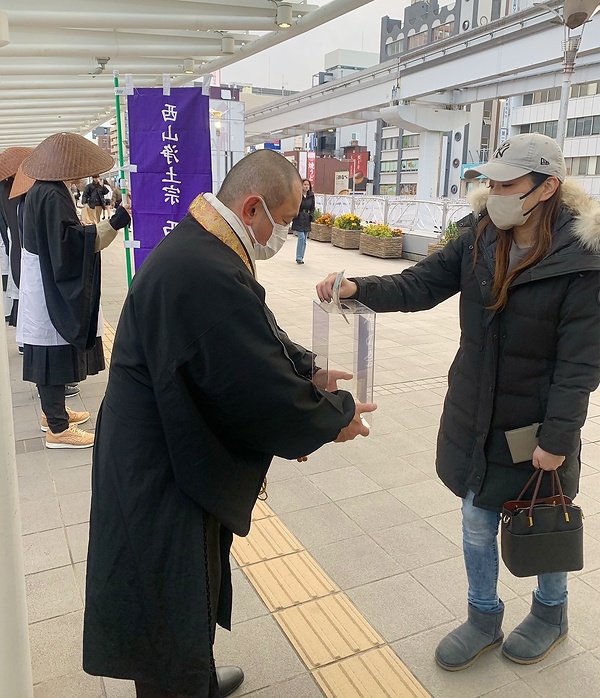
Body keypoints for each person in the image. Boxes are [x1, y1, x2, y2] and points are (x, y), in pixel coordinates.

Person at [82, 149, 376, 698]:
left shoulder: (204, 248)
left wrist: (307, 369)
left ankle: (193, 675)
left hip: (166, 440)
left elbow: (251, 329)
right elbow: (250, 385)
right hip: (160, 464)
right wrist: (332, 417)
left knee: (182, 594)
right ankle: (184, 686)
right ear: (253, 206)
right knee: (171, 593)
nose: (284, 234)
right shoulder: (203, 267)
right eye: (285, 221)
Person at [316, 133, 600, 670]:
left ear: (548, 188)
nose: (494, 192)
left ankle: (550, 610)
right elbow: (419, 284)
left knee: (545, 519)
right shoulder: (478, 235)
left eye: (508, 184)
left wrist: (559, 439)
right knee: (476, 524)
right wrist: (358, 289)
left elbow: (581, 364)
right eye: (491, 182)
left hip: (536, 426)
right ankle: (483, 617)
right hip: (474, 415)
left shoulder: (582, 260)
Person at [18, 133, 131, 449]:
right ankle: (57, 428)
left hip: (42, 278)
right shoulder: (52, 195)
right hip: (49, 283)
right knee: (52, 349)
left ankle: (52, 413)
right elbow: (69, 245)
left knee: (49, 346)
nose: (82, 170)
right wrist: (118, 221)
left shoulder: (42, 189)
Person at [290, 178, 315, 264]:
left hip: (307, 218)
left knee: (305, 239)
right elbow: (293, 205)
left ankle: (301, 257)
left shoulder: (311, 195)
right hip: (299, 217)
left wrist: (311, 216)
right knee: (301, 237)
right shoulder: (298, 195)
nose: (306, 186)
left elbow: (312, 208)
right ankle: (298, 257)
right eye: (305, 184)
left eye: (308, 185)